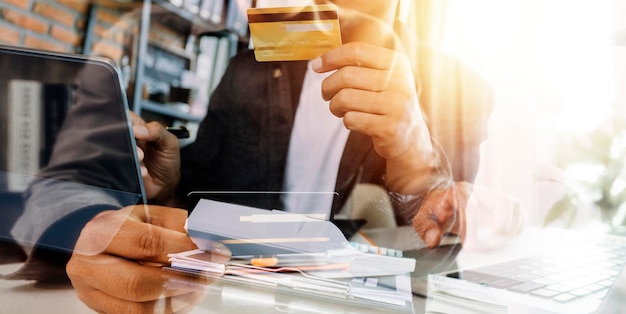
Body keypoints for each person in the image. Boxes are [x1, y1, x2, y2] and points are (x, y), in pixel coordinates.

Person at [11, 0, 492, 312]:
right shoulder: (251, 67)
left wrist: (413, 155)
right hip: (228, 299)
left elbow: (441, 258)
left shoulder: (460, 88)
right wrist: (170, 181)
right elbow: (203, 196)